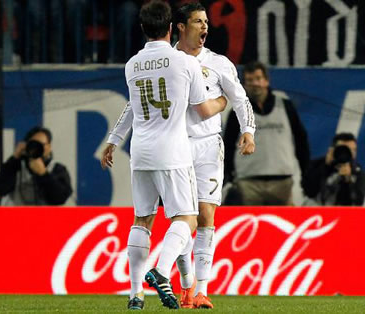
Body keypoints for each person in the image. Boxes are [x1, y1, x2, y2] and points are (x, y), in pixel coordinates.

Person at [100, 0, 227, 310]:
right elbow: (203, 107)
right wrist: (224, 100)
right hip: (173, 152)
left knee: (142, 220)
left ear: (143, 28)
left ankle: (134, 295)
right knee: (187, 218)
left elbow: (131, 107)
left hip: (140, 152)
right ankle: (160, 270)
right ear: (171, 28)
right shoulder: (185, 63)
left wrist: (114, 140)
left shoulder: (132, 64)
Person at [173, 2, 256, 309]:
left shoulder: (219, 63)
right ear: (181, 26)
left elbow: (240, 98)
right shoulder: (168, 61)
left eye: (206, 21)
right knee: (181, 217)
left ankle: (201, 289)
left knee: (206, 214)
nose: (206, 26)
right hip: (175, 147)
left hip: (208, 144)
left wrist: (249, 131)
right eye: (198, 21)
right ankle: (185, 287)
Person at [223, 61, 310, 206]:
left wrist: (305, 171)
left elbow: (301, 139)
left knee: (284, 226)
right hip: (248, 182)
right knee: (251, 226)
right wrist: (229, 175)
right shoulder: (237, 113)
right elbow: (228, 145)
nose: (255, 84)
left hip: (283, 181)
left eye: (258, 79)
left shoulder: (285, 106)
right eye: (250, 80)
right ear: (244, 85)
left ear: (266, 81)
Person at [0, 126, 72, 205]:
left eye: (41, 145)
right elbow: (0, 188)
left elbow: (60, 198)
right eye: (34, 144)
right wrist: (14, 158)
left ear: (49, 147)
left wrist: (43, 174)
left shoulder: (57, 169)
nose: (37, 148)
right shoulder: (17, 166)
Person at [305, 132, 365, 206]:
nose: (350, 154)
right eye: (345, 149)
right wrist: (325, 167)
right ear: (333, 150)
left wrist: (347, 181)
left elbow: (356, 204)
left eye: (353, 150)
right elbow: (309, 192)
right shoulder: (316, 165)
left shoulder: (358, 173)